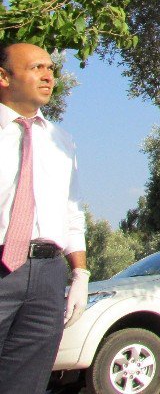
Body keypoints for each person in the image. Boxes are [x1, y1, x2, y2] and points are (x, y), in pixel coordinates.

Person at [0, 42, 89, 394]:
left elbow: (72, 212)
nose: (49, 75)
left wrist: (79, 273)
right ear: (4, 76)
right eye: (37, 67)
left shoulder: (61, 140)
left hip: (47, 279)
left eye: (51, 68)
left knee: (27, 384)